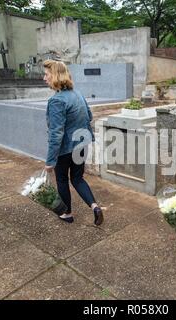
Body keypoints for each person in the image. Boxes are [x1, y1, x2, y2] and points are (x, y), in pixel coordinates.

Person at [43, 60, 103, 226]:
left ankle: (67, 213)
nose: (44, 78)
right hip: (81, 144)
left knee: (61, 179)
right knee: (77, 178)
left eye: (46, 74)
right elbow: (89, 116)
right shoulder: (78, 94)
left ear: (55, 76)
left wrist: (50, 161)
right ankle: (95, 207)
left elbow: (56, 134)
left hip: (65, 149)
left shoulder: (56, 101)